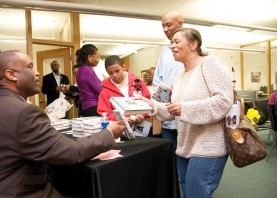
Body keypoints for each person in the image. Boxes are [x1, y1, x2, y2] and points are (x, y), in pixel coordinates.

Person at [0, 50, 125, 197]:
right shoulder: (25, 112)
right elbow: (71, 152)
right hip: (19, 191)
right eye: (30, 67)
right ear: (11, 75)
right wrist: (109, 133)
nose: (37, 73)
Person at [141, 28, 233, 197]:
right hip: (185, 145)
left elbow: (224, 101)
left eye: (177, 42)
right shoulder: (180, 75)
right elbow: (173, 111)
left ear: (193, 44)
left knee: (196, 193)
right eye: (171, 43)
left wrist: (184, 108)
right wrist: (151, 105)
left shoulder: (210, 64)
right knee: (188, 192)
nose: (172, 46)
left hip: (209, 145)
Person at [153, 11, 184, 155]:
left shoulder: (196, 48)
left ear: (180, 24)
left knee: (187, 156)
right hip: (168, 115)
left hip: (186, 115)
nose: (165, 29)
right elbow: (157, 81)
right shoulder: (165, 52)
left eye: (169, 25)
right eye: (163, 26)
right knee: (170, 156)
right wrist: (163, 104)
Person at [97, 55, 151, 124]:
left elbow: (148, 102)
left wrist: (142, 114)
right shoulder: (105, 91)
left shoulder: (138, 83)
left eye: (117, 71)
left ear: (123, 67)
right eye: (110, 73)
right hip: (119, 130)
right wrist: (122, 119)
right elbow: (105, 113)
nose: (115, 75)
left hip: (140, 128)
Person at [76, 44, 102, 117]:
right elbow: (100, 89)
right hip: (93, 107)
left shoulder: (81, 70)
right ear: (89, 57)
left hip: (86, 107)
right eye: (97, 57)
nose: (98, 60)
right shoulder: (87, 70)